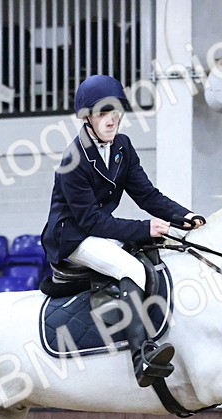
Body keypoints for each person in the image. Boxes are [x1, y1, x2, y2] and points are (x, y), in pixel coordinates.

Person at [41, 74, 205, 388]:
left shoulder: (122, 146)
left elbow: (146, 194)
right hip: (72, 237)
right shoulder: (73, 160)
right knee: (130, 266)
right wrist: (146, 228)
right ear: (87, 118)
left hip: (98, 231)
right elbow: (90, 222)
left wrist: (182, 215)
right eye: (103, 113)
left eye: (115, 111)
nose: (112, 119)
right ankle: (141, 357)